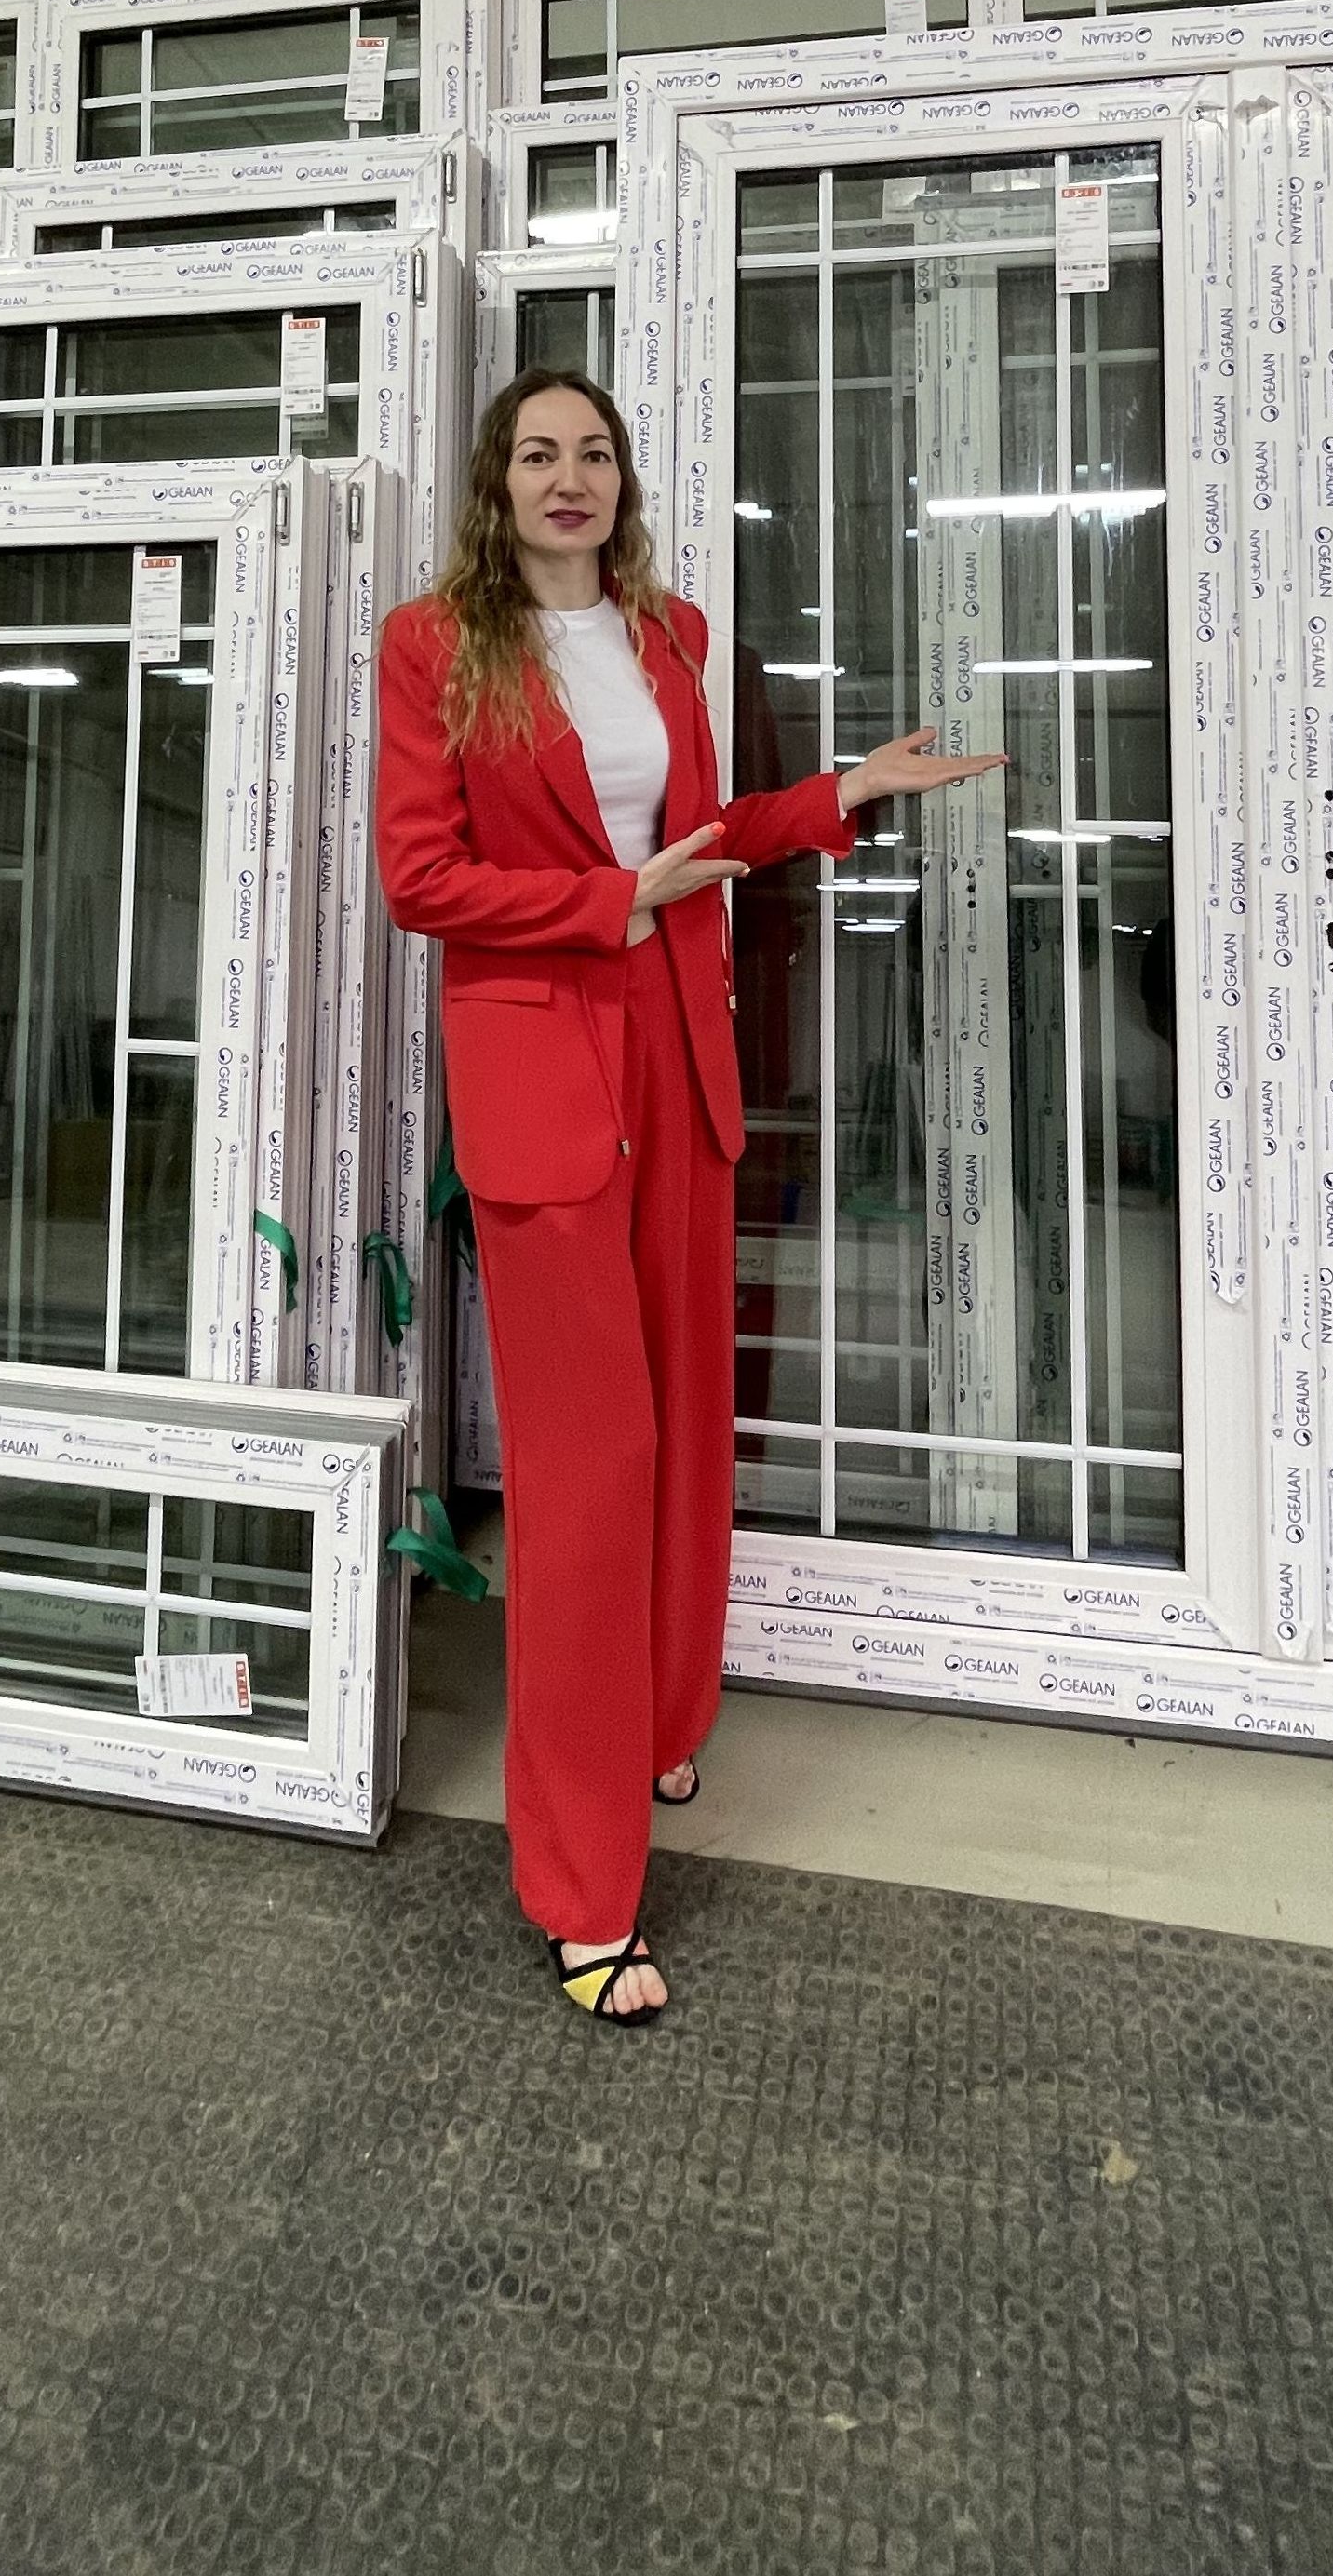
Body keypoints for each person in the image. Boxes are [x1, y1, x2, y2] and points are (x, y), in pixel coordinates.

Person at [376, 368, 1004, 2027]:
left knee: (685, 1429)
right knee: (589, 1470)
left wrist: (839, 797)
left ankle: (657, 1722)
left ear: (624, 482)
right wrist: (606, 901)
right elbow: (420, 878)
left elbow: (701, 833)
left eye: (593, 452)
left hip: (677, 1052)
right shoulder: (434, 645)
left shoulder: (671, 633)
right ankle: (583, 1890)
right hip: (548, 1070)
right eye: (537, 453)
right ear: (496, 484)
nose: (567, 477)